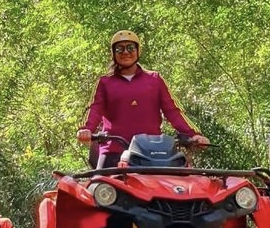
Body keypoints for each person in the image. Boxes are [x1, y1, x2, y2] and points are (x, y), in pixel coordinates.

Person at [77, 30, 209, 168]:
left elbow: (173, 111)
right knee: (99, 185)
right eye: (119, 49)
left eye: (130, 48)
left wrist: (194, 135)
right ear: (113, 53)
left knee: (179, 185)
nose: (125, 52)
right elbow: (94, 109)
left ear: (138, 51)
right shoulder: (105, 82)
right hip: (113, 151)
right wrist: (86, 129)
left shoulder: (155, 79)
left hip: (153, 152)